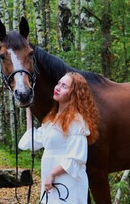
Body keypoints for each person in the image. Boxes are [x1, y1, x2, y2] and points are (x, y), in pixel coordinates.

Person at [18, 72, 99, 204]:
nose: (58, 87)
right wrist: (29, 110)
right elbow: (33, 141)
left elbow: (75, 158)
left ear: (74, 95)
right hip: (52, 180)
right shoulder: (52, 119)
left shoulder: (76, 121)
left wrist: (52, 174)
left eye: (64, 86)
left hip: (68, 180)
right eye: (58, 83)